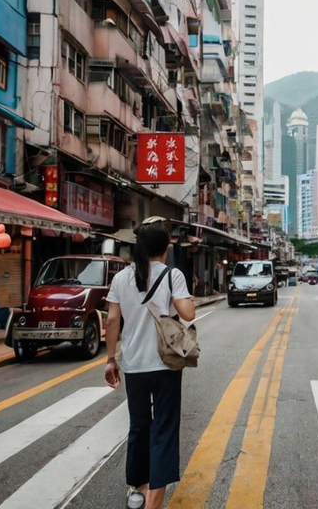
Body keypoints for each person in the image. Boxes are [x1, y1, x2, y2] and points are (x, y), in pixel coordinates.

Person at [104, 217, 196, 509]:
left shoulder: (121, 278)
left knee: (139, 427)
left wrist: (110, 360)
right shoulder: (172, 275)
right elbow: (189, 313)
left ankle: (137, 490)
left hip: (134, 365)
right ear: (165, 247)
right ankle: (154, 503)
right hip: (166, 364)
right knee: (165, 430)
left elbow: (111, 320)